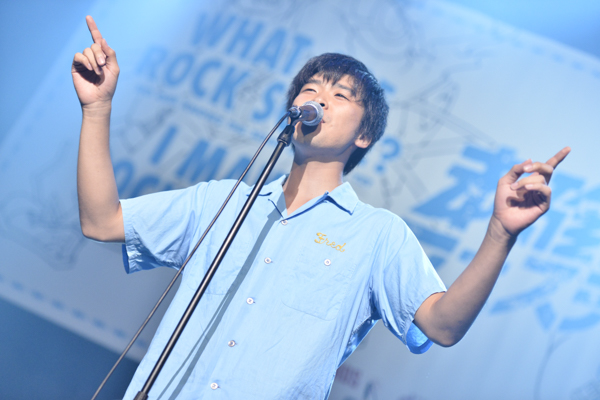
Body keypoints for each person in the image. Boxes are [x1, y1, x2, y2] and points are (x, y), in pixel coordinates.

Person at [73, 15, 570, 400]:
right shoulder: (222, 201)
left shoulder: (376, 235)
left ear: (364, 134)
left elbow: (441, 325)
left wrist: (500, 233)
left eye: (340, 94)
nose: (319, 98)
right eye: (310, 89)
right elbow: (102, 221)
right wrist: (97, 109)